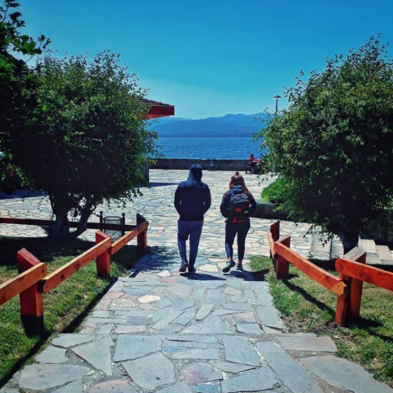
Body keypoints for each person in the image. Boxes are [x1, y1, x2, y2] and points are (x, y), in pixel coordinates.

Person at [174, 164, 211, 273]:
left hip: (184, 219)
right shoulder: (204, 187)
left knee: (181, 238)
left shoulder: (182, 186)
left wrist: (181, 212)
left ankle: (183, 260)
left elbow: (176, 202)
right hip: (198, 220)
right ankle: (191, 266)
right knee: (194, 243)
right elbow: (208, 203)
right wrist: (200, 212)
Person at [220, 172, 256, 272]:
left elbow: (223, 207)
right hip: (244, 222)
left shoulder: (228, 194)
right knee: (241, 242)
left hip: (232, 221)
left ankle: (229, 259)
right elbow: (254, 205)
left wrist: (228, 215)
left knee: (228, 241)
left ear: (231, 182)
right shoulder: (247, 194)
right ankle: (240, 263)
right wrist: (247, 214)